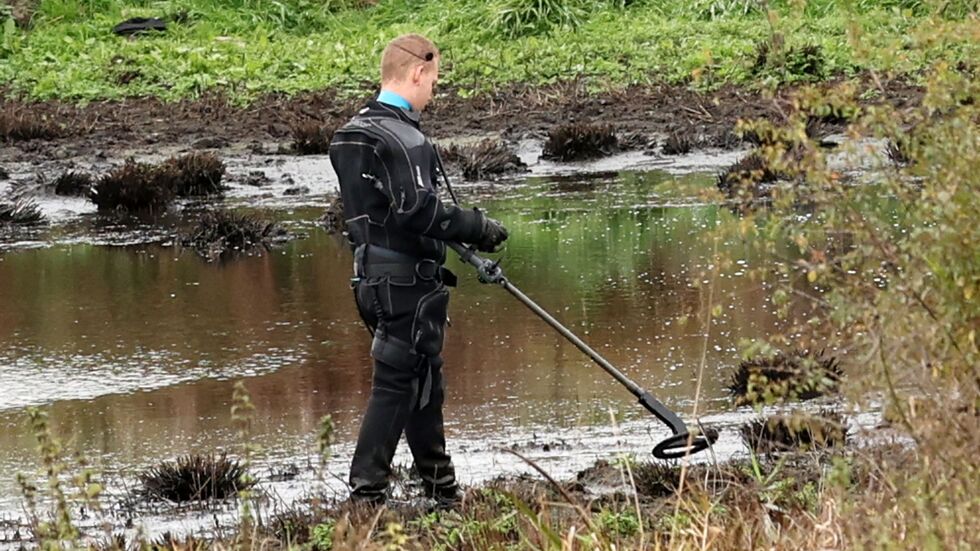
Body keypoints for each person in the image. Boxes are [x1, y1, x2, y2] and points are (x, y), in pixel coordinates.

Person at [328, 33, 508, 507]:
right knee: (395, 385)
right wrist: (477, 225)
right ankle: (366, 497)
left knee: (422, 379)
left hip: (369, 278)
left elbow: (382, 211)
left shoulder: (349, 134)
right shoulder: (405, 139)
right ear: (417, 72)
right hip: (404, 283)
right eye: (434, 81)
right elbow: (418, 212)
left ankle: (441, 490)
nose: (434, 92)